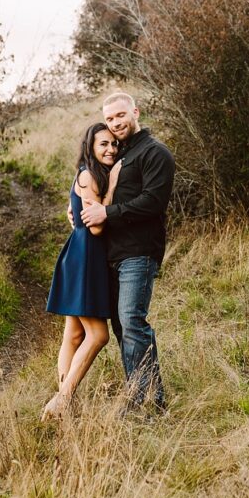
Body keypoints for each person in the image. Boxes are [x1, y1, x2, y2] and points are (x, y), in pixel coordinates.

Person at [77, 92, 175, 411]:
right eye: (110, 119)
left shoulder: (155, 152)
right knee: (121, 325)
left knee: (132, 320)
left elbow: (153, 201)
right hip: (112, 254)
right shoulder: (118, 155)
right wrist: (75, 208)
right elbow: (92, 187)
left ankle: (148, 401)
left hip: (139, 251)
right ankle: (141, 396)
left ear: (135, 111)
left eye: (120, 116)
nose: (116, 123)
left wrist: (108, 214)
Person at [42, 123, 121, 420]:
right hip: (86, 256)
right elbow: (97, 226)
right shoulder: (90, 175)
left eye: (114, 144)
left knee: (74, 335)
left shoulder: (90, 174)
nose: (110, 149)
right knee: (98, 335)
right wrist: (113, 185)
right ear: (90, 147)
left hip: (86, 254)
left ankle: (64, 404)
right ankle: (62, 399)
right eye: (104, 144)